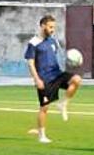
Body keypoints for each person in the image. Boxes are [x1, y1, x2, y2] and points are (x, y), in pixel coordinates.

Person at [24, 15, 82, 143]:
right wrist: (37, 79)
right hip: (45, 79)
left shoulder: (53, 41)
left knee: (77, 80)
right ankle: (42, 136)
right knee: (44, 108)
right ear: (43, 26)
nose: (52, 29)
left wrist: (72, 60)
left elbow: (54, 57)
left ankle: (63, 103)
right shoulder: (33, 43)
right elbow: (30, 63)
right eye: (50, 27)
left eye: (54, 27)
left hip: (57, 74)